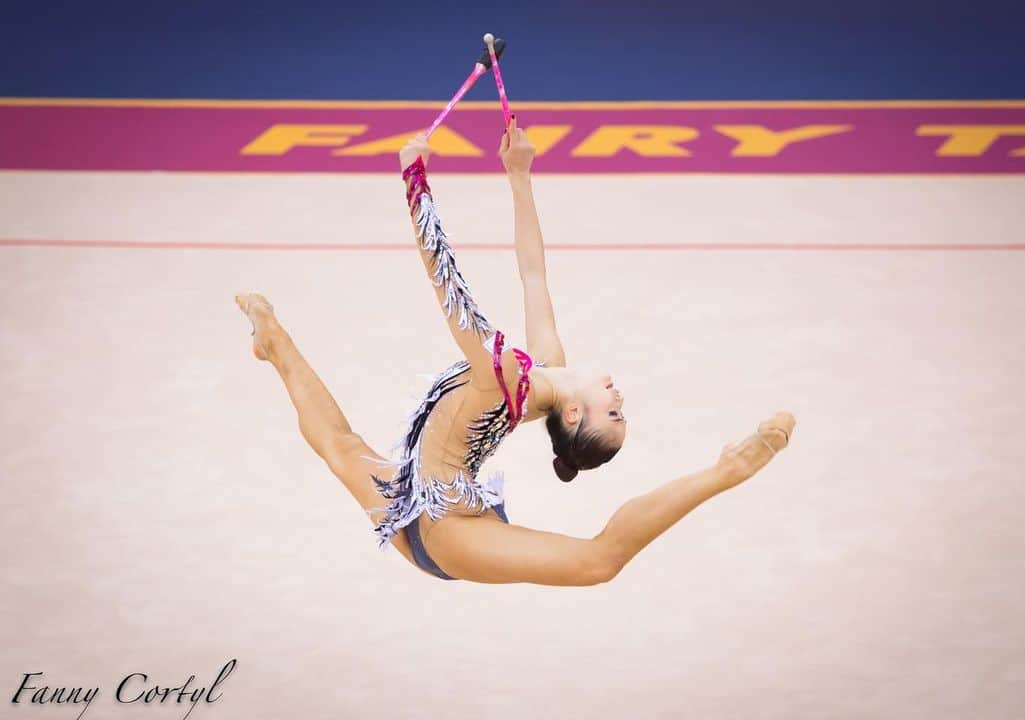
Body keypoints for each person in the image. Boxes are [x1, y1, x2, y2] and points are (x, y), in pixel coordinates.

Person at [234, 117, 795, 585]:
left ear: (573, 415)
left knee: (600, 561)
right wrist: (519, 174)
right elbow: (532, 273)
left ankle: (727, 471)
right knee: (340, 445)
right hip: (411, 496)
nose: (620, 395)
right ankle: (274, 341)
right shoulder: (544, 366)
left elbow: (446, 283)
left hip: (453, 532)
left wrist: (414, 178)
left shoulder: (500, 378)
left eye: (615, 412)